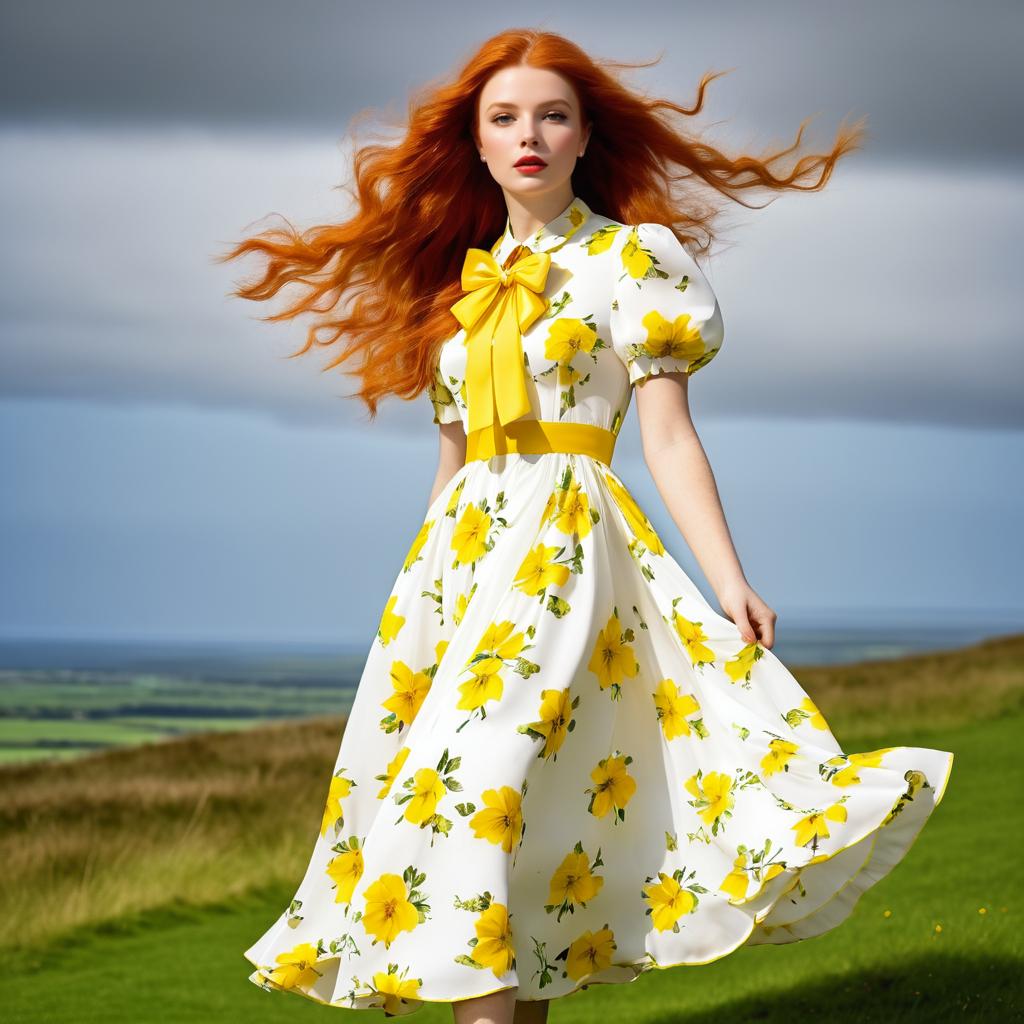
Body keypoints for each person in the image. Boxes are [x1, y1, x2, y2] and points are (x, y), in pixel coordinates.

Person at [219, 28, 954, 1024]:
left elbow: (668, 440)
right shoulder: (457, 288)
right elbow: (451, 466)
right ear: (473, 145)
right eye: (505, 118)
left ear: (581, 138)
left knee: (483, 791)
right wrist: (417, 605)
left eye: (551, 115)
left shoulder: (634, 261)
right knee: (493, 825)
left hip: (568, 554)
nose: (529, 135)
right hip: (459, 570)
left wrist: (727, 575)